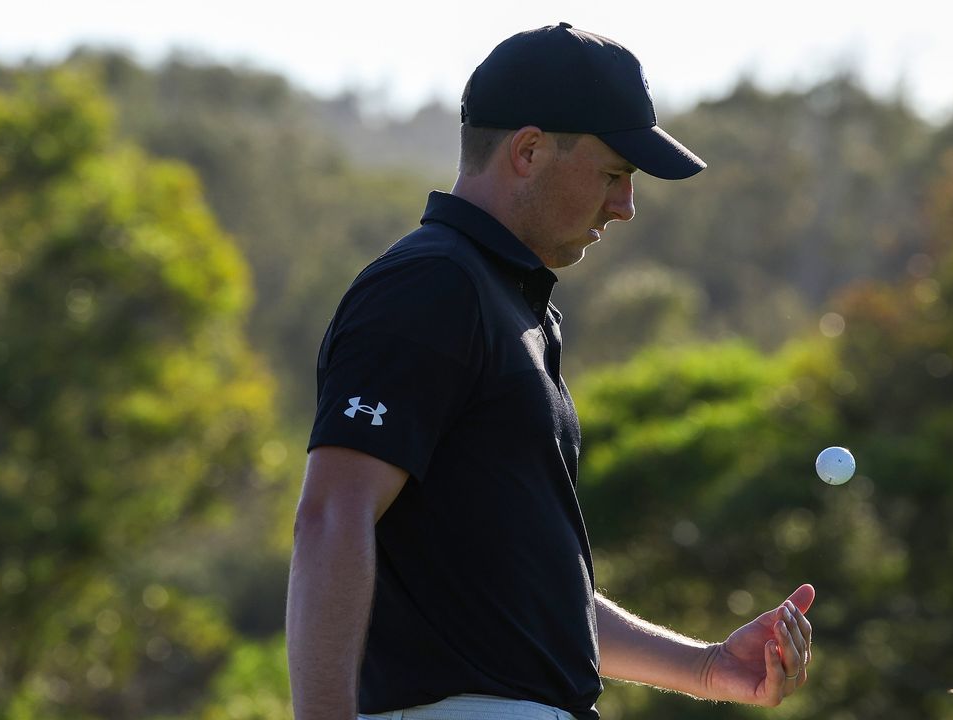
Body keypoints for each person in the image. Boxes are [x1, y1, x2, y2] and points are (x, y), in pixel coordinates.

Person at [286, 22, 815, 720]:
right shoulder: (430, 287)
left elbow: (520, 588)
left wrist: (707, 667)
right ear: (529, 151)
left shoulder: (508, 305)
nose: (625, 205)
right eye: (614, 174)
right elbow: (332, 513)